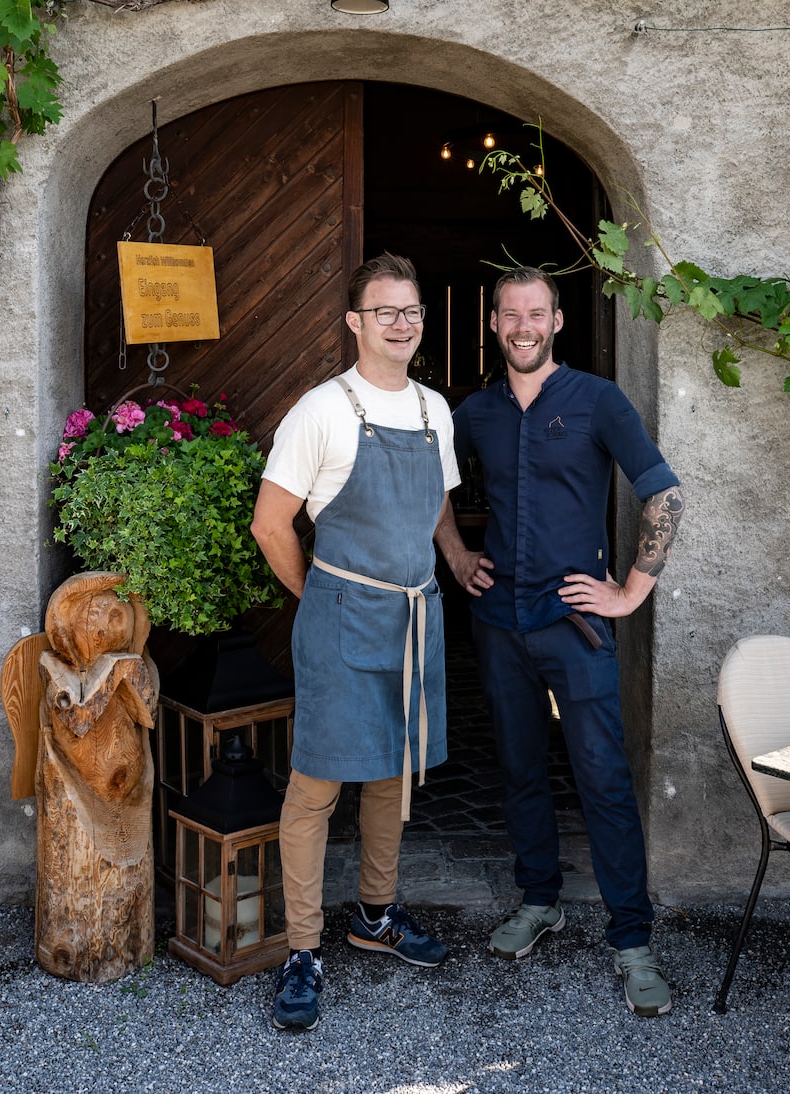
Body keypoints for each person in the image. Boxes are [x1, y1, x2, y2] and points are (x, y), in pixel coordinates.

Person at [435, 266, 684, 1017]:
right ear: (493, 324)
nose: (523, 326)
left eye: (535, 313)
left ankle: (632, 941)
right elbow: (434, 484)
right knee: (517, 769)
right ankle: (539, 899)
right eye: (510, 315)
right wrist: (454, 553)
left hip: (577, 627)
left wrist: (629, 592)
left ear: (557, 321)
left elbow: (663, 489)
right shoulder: (473, 412)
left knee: (602, 777)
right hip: (499, 624)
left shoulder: (598, 400)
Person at [251, 253, 460, 1033]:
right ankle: (302, 949)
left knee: (389, 774)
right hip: (342, 618)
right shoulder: (323, 410)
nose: (401, 324)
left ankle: (374, 917)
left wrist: (458, 559)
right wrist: (321, 596)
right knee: (315, 787)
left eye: (410, 311)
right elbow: (270, 525)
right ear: (355, 323)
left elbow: (435, 505)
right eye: (385, 312)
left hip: (416, 615)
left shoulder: (438, 410)